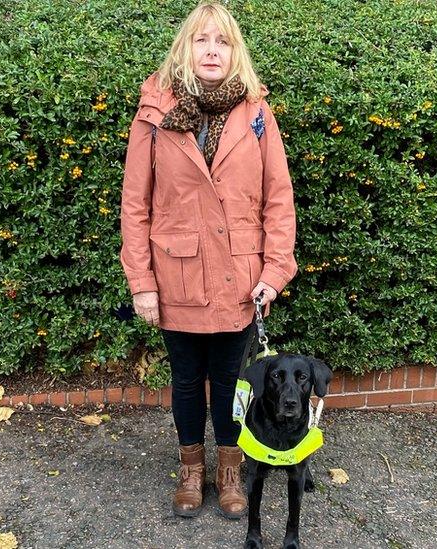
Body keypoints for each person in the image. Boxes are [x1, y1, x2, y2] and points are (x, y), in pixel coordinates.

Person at [118, 1, 298, 520]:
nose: (212, 50)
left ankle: (228, 469)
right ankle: (191, 469)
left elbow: (278, 199)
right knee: (184, 380)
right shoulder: (154, 116)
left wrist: (274, 270)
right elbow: (136, 203)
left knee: (231, 382)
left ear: (234, 50)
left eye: (222, 41)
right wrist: (141, 282)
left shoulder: (257, 114)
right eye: (202, 40)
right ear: (186, 48)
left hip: (238, 279)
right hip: (177, 274)